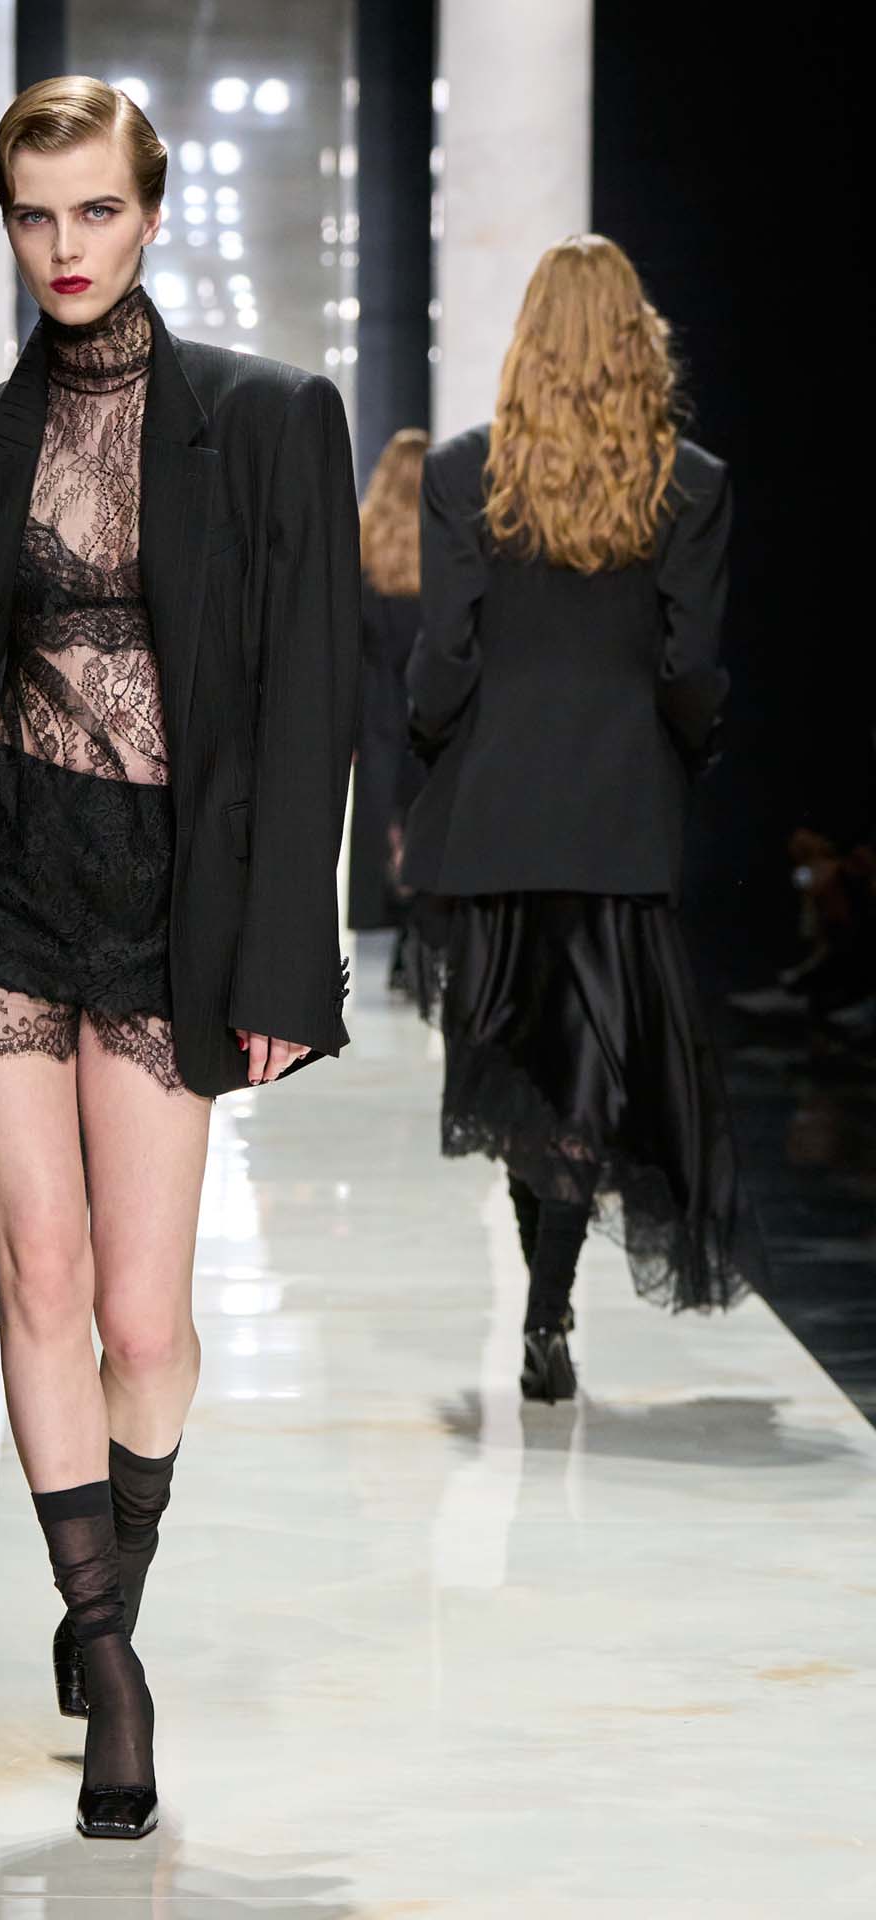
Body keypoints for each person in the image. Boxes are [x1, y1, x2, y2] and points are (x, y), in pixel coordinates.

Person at [0, 76, 359, 1838]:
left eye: (95, 210)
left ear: (149, 214)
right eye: (34, 213)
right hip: (1, 890)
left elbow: (312, 705)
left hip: (168, 905)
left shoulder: (271, 419)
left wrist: (287, 964)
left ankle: (114, 1582)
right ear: (6, 222)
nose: (64, 246)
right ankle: (108, 1659)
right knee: (43, 1275)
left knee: (147, 1320)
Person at [401, 234, 765, 1402]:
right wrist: (690, 752)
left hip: (495, 815)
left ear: (529, 342)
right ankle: (547, 1312)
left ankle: (544, 1305)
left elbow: (446, 655)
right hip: (617, 817)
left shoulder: (466, 475)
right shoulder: (690, 484)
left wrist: (425, 739)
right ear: (637, 341)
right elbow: (688, 665)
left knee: (518, 1072)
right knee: (586, 1077)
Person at [348, 427, 428, 987]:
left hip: (376, 706)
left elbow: (349, 643)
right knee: (426, 815)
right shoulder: (448, 547)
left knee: (387, 823)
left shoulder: (362, 542)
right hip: (429, 703)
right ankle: (418, 937)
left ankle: (396, 926)